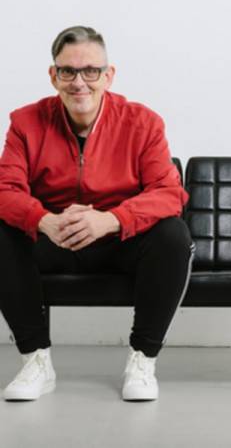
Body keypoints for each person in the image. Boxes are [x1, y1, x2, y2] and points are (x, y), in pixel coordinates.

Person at [0, 26, 194, 402]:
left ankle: (143, 360)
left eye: (91, 71)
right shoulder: (25, 122)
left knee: (173, 235)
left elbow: (169, 193)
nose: (79, 82)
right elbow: (6, 191)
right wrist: (44, 220)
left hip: (118, 242)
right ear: (53, 75)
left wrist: (111, 219)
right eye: (68, 71)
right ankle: (35, 361)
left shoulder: (143, 122)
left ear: (109, 75)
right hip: (52, 238)